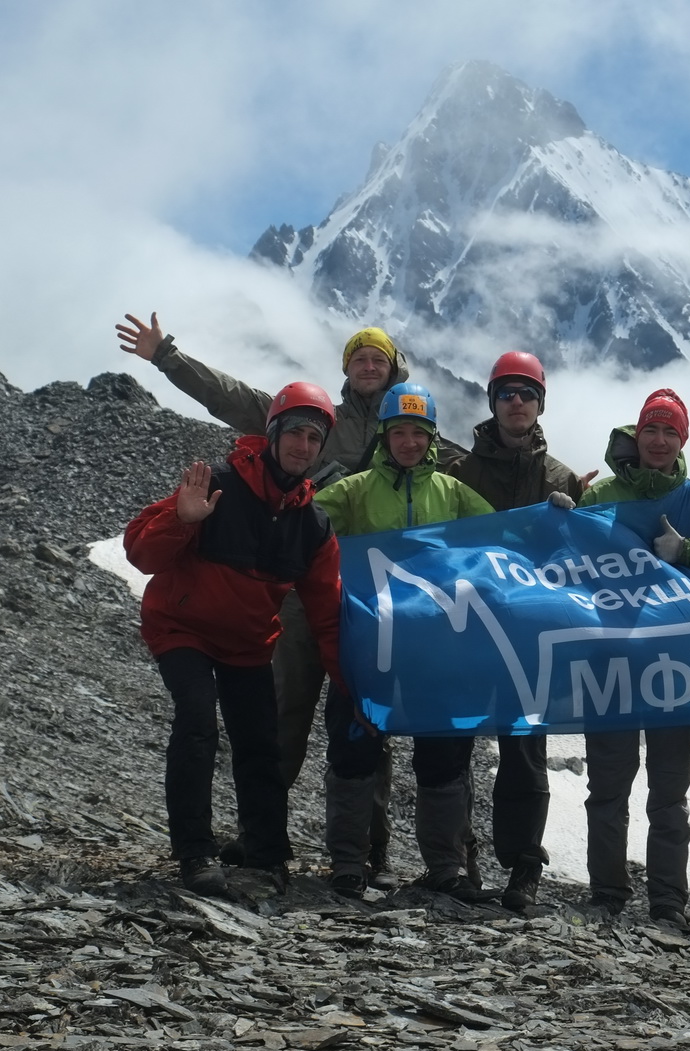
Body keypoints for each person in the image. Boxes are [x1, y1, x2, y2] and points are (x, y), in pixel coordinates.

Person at [116, 314, 411, 879]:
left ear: (395, 367)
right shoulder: (266, 454)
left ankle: (352, 851)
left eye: (379, 358)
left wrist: (569, 489)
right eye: (359, 358)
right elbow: (226, 395)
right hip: (242, 609)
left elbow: (473, 474)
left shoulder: (409, 427)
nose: (303, 444)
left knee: (317, 726)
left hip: (327, 604)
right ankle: (227, 846)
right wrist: (166, 356)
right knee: (262, 720)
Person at [122, 384, 346, 897]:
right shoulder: (216, 485)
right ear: (272, 434)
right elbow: (141, 552)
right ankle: (195, 853)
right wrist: (181, 519)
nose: (304, 446)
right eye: (296, 432)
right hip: (183, 629)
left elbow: (327, 615)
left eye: (315, 437)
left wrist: (347, 682)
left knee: (259, 743)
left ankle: (267, 857)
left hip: (247, 642)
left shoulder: (313, 526)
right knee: (198, 721)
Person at [315, 381, 493, 899]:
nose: (409, 442)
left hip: (439, 654)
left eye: (419, 432)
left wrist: (557, 516)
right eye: (400, 432)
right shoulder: (355, 488)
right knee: (354, 752)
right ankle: (350, 862)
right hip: (369, 645)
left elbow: (505, 540)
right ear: (384, 435)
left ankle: (445, 867)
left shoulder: (454, 493)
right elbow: (309, 524)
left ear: (433, 436)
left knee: (443, 758)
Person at [575, 388, 690, 925]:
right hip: (613, 659)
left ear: (683, 440)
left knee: (669, 791)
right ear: (636, 434)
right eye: (652, 429)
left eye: (671, 431)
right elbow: (564, 560)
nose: (660, 440)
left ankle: (666, 901)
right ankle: (607, 892)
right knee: (607, 784)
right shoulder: (599, 495)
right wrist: (557, 519)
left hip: (676, 665)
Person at [443, 351, 596, 913]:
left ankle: (522, 870)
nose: (516, 403)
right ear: (492, 402)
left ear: (539, 405)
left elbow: (576, 561)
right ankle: (459, 864)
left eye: (526, 394)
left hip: (527, 637)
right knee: (452, 744)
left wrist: (569, 522)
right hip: (469, 628)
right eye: (507, 393)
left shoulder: (558, 479)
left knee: (524, 752)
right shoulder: (457, 473)